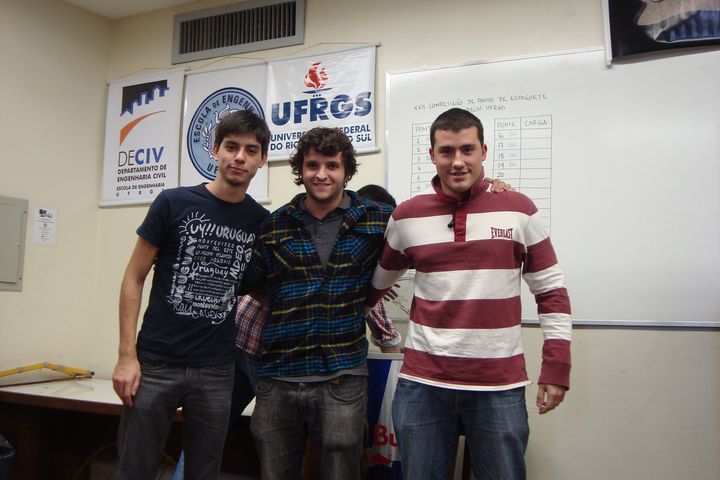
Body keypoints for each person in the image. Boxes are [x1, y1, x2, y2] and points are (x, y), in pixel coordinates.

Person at [366, 108, 572, 480]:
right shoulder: (406, 217)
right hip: (423, 385)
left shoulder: (519, 210)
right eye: (447, 151)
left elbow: (552, 292)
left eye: (467, 149)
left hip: (498, 385)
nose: (458, 161)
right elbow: (375, 285)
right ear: (432, 155)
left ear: (483, 151)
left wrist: (557, 367)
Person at [112, 110, 271, 480]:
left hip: (216, 368)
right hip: (155, 363)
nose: (239, 157)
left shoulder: (261, 223)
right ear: (215, 150)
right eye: (231, 147)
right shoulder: (173, 203)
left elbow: (261, 288)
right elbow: (134, 277)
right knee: (134, 469)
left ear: (262, 159)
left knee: (203, 472)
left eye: (250, 150)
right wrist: (126, 356)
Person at [236, 127, 398, 480]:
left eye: (332, 166)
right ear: (301, 169)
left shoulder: (377, 219)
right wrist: (286, 302)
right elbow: (249, 283)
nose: (321, 174)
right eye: (312, 165)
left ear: (347, 170)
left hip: (342, 377)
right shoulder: (275, 224)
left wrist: (489, 188)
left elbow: (428, 228)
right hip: (278, 377)